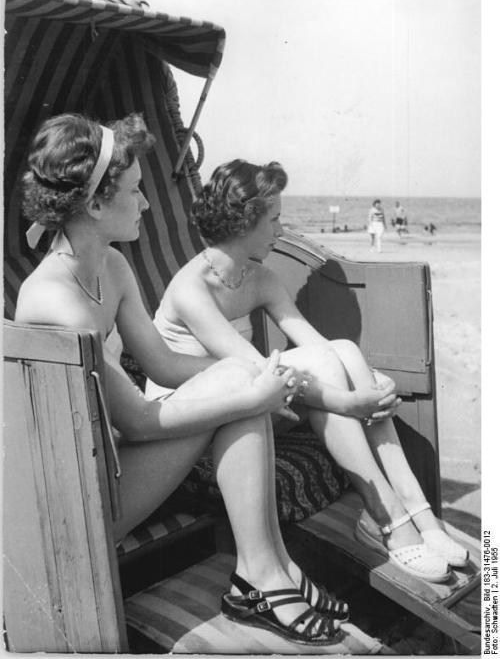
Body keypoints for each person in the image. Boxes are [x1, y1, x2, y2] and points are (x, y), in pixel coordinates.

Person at [15, 116, 342, 645]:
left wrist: (251, 375)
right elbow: (140, 423)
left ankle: (270, 569)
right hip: (82, 498)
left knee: (241, 376)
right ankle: (260, 576)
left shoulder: (111, 266)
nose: (145, 203)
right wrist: (251, 393)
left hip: (111, 461)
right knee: (242, 390)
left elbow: (164, 366)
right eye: (136, 191)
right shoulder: (55, 302)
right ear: (96, 204)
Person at [147, 159, 469, 584]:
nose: (281, 230)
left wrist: (369, 378)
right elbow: (257, 372)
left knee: (345, 350)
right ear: (244, 222)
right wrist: (350, 399)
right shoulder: (192, 288)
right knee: (328, 363)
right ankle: (384, 515)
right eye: (275, 219)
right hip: (190, 427)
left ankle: (417, 512)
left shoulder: (258, 277)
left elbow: (317, 345)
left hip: (244, 408)